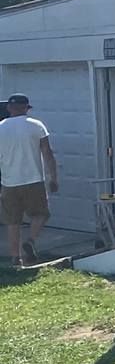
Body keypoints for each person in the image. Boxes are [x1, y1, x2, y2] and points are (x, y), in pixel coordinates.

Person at [0, 93, 60, 268]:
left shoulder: (1, 128)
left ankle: (15, 258)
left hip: (9, 182)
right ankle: (31, 240)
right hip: (33, 180)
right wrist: (53, 177)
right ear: (26, 108)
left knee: (13, 221)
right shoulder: (36, 126)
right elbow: (48, 153)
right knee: (41, 214)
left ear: (9, 108)